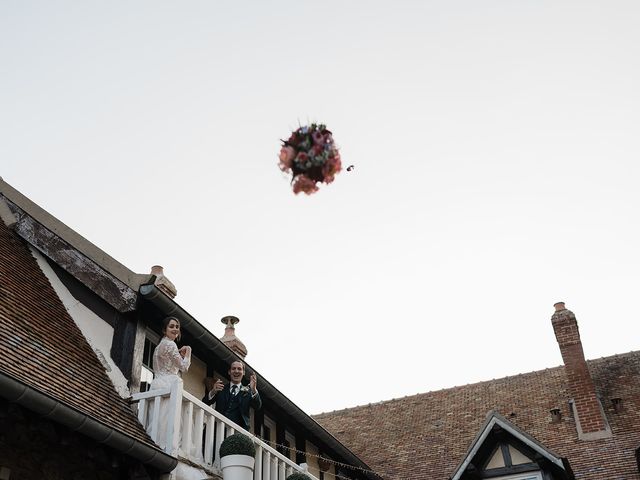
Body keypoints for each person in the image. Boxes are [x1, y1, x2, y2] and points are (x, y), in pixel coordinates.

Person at [149, 316, 191, 451]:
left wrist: (178, 354)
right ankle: (168, 445)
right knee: (170, 420)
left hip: (157, 383)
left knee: (159, 419)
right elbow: (184, 367)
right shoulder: (171, 345)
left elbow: (165, 363)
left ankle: (156, 442)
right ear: (164, 329)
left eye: (177, 327)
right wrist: (188, 351)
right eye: (171, 326)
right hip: (169, 384)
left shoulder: (159, 346)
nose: (175, 329)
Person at [203, 360, 261, 432]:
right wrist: (213, 391)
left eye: (239, 369)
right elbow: (205, 402)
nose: (236, 371)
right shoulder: (221, 388)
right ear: (229, 372)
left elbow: (257, 406)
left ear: (243, 373)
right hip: (217, 431)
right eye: (233, 368)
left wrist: (253, 389)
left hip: (237, 434)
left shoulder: (248, 391)